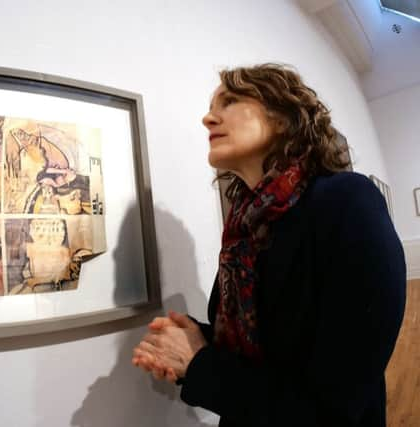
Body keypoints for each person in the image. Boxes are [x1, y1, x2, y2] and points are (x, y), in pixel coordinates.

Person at [131, 63, 406, 426]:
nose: (207, 119)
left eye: (229, 101)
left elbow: (335, 403)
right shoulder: (245, 228)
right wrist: (197, 339)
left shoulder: (346, 201)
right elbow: (268, 347)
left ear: (282, 117)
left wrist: (198, 363)